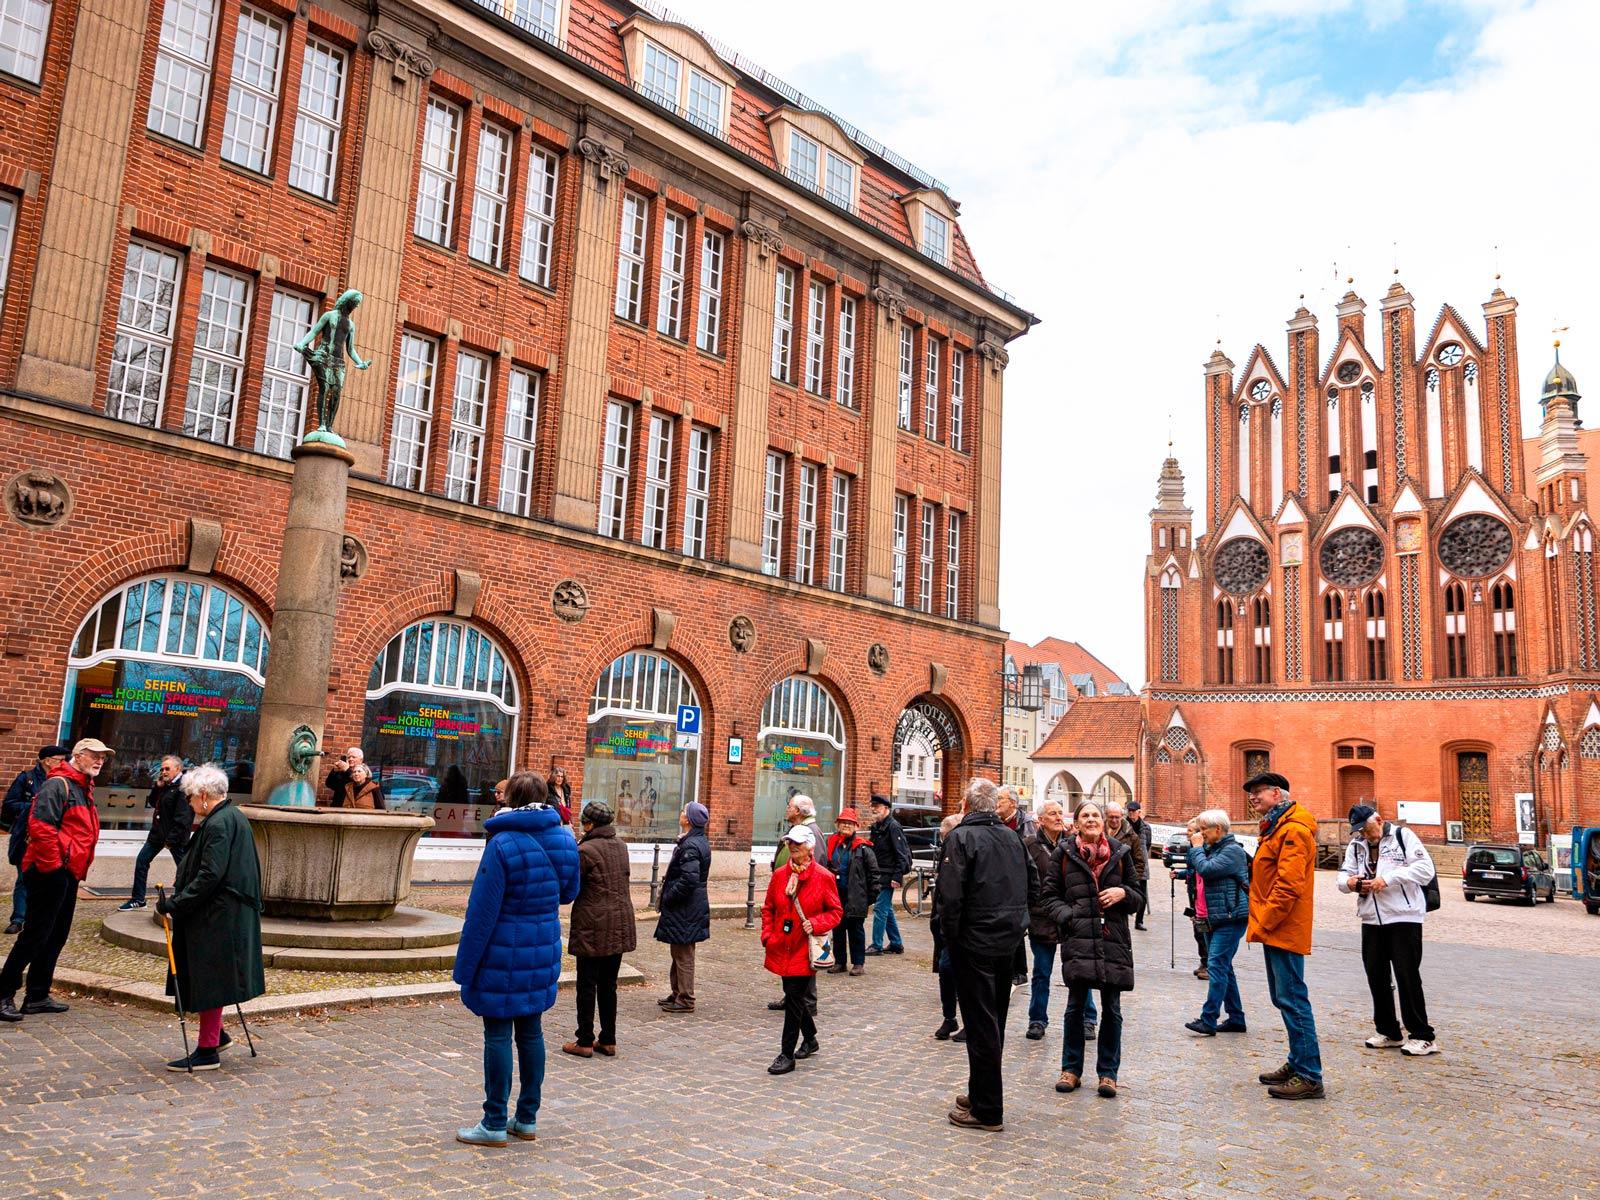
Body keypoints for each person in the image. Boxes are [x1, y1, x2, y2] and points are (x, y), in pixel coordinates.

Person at [453, 773, 580, 1146]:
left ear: (511, 800)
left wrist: (465, 966)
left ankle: (493, 1121)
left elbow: (482, 910)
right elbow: (569, 892)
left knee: (497, 1034)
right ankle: (526, 1117)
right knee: (531, 1031)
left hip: (501, 947)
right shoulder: (564, 838)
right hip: (542, 945)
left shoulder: (502, 842)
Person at [937, 778, 1037, 1133]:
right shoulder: (1012, 838)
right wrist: (1018, 919)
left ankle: (988, 1109)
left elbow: (950, 898)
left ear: (966, 804)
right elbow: (1034, 883)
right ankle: (980, 1092)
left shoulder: (961, 838)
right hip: (1007, 941)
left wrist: (952, 938)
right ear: (994, 805)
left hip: (974, 942)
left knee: (981, 1025)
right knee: (993, 1022)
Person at [155, 763, 265, 1071]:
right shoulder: (232, 816)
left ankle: (207, 1050)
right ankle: (215, 1035)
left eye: (190, 797)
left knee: (209, 979)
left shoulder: (219, 824)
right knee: (211, 977)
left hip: (217, 915)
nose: (189, 803)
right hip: (222, 912)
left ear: (204, 796)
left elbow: (210, 875)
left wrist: (177, 904)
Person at [0, 738, 110, 1022]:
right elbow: (41, 827)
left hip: (68, 871)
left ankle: (37, 994)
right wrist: (54, 866)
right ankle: (3, 992)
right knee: (36, 933)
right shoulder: (58, 784)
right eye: (94, 756)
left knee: (56, 934)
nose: (99, 761)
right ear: (78, 755)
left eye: (103, 757)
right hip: (50, 870)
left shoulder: (83, 786)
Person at [1043, 799, 1142, 1100]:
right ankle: (1070, 1069)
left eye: (1095, 815)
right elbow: (1048, 896)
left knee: (1112, 1010)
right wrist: (1069, 916)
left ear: (1104, 821)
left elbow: (1138, 898)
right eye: (1085, 815)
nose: (1091, 819)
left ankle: (1108, 1073)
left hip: (1113, 941)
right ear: (1077, 822)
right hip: (1079, 939)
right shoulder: (1064, 854)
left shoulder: (1121, 854)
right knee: (1075, 1008)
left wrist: (1123, 892)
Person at [1245, 771, 1324, 1100]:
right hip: (1276, 927)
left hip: (1282, 927)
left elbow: (1288, 886)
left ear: (1277, 794)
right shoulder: (1277, 827)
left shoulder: (1291, 830)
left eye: (1258, 792)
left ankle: (1310, 1074)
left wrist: (1264, 922)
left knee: (1293, 998)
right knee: (1284, 997)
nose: (1253, 798)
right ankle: (1297, 1061)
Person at [1337, 805, 1438, 1057]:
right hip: (1371, 917)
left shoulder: (1403, 836)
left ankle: (1422, 1035)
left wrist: (1389, 878)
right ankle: (1388, 1031)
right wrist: (1351, 883)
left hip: (1404, 917)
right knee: (1376, 976)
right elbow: (1342, 877)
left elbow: (1426, 870)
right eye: (1357, 831)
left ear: (1379, 820)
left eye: (1365, 828)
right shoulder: (1356, 846)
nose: (1362, 834)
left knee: (1407, 976)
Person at [761, 826, 843, 1075]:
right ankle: (811, 1038)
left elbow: (836, 911)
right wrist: (767, 935)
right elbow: (768, 908)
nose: (792, 846)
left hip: (804, 947)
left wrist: (816, 923)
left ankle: (786, 1054)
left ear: (810, 846)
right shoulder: (779, 875)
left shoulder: (823, 877)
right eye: (789, 843)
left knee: (794, 997)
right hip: (781, 944)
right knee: (792, 993)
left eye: (797, 842)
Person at [564, 801, 634, 1059]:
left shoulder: (585, 851)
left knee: (587, 983)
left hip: (593, 924)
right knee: (609, 984)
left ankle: (584, 1040)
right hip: (618, 922)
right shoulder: (621, 847)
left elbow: (572, 888)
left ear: (589, 824)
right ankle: (608, 1039)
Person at [1182, 809, 1250, 1036]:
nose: (1200, 834)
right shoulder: (1212, 849)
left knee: (1216, 966)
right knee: (1224, 967)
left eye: (1204, 830)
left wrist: (1198, 848)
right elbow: (1194, 867)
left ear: (1218, 830)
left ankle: (1208, 1019)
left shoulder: (1233, 852)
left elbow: (1207, 870)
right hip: (1212, 917)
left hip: (1230, 918)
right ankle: (1236, 1018)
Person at [3, 745, 67, 935]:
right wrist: (33, 805)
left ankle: (35, 920)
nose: (63, 763)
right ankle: (18, 919)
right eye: (60, 759)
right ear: (47, 760)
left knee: (44, 882)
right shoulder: (27, 779)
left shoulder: (61, 781)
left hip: (50, 840)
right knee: (24, 879)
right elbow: (9, 804)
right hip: (25, 837)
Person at [655, 801, 711, 1013]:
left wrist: (669, 896)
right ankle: (677, 992)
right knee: (678, 950)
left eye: (683, 812)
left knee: (684, 953)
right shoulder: (696, 841)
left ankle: (685, 998)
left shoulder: (690, 845)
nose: (680, 814)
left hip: (686, 907)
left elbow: (689, 879)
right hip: (689, 906)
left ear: (688, 819)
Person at [120, 756, 192, 911]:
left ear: (178, 769)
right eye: (162, 769)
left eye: (167, 769)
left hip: (175, 838)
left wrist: (171, 840)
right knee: (142, 861)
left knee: (184, 870)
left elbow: (183, 818)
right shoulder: (166, 785)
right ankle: (138, 899)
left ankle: (184, 902)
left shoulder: (183, 787)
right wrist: (157, 787)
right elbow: (153, 803)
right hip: (157, 835)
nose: (163, 772)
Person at [1022, 800, 1067, 1040]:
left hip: (1069, 916)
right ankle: (1037, 1019)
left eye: (1060, 813)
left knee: (1080, 969)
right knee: (1041, 971)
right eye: (1053, 813)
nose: (1059, 817)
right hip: (1041, 917)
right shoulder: (1029, 845)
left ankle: (1087, 1018)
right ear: (1041, 820)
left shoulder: (1072, 844)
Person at [822, 807, 878, 977]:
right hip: (836, 895)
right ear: (837, 824)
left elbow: (874, 875)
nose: (846, 825)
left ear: (855, 826)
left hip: (856, 896)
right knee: (838, 930)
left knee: (856, 931)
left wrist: (868, 898)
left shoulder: (863, 848)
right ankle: (840, 962)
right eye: (843, 822)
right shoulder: (831, 844)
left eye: (849, 823)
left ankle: (858, 963)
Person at [930, 812, 964, 1041]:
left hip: (964, 924)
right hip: (945, 923)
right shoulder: (947, 849)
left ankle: (969, 1021)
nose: (944, 840)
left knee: (962, 974)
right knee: (945, 970)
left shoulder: (962, 847)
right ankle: (949, 1017)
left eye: (945, 836)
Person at [866, 794, 910, 956]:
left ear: (886, 809)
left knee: (880, 909)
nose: (874, 809)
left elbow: (901, 854)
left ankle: (876, 944)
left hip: (888, 874)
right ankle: (896, 943)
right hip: (879, 873)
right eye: (873, 806)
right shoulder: (877, 827)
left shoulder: (893, 826)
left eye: (877, 807)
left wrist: (897, 877)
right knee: (886, 909)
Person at [1105, 801, 1149, 934]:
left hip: (1121, 884)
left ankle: (1137, 922)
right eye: (1111, 817)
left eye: (1117, 817)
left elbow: (1139, 861)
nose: (1114, 820)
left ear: (1121, 817)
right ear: (1106, 816)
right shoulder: (1098, 831)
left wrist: (1132, 883)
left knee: (1118, 922)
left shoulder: (1131, 836)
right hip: (1101, 883)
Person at [1182, 817, 1211, 980]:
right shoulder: (1192, 848)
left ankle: (1208, 964)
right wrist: (1180, 874)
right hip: (1193, 893)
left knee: (1203, 930)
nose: (1188, 833)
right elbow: (1192, 872)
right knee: (1197, 930)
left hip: (1201, 896)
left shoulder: (1203, 849)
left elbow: (1202, 870)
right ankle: (1204, 961)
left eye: (1190, 830)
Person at [1126, 800, 1154, 929]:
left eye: (1133, 811)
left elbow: (1147, 845)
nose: (1131, 814)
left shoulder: (1146, 827)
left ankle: (1139, 921)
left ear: (1139, 812)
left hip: (1141, 864)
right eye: (1129, 811)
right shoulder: (1124, 825)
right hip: (1126, 862)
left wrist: (1141, 856)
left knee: (1142, 894)